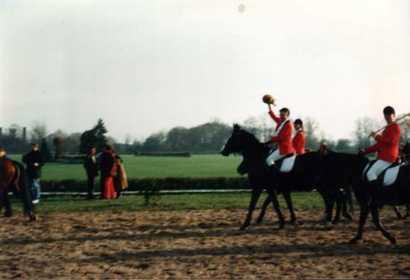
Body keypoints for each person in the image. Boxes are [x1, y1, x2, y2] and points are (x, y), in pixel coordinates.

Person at [361, 106, 401, 185]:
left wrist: (377, 136)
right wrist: (365, 150)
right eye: (386, 117)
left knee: (370, 173)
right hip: (383, 157)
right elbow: (379, 145)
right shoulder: (387, 129)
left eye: (389, 117)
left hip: (389, 158)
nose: (387, 119)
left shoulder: (395, 127)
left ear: (393, 115)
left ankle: (378, 194)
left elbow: (391, 141)